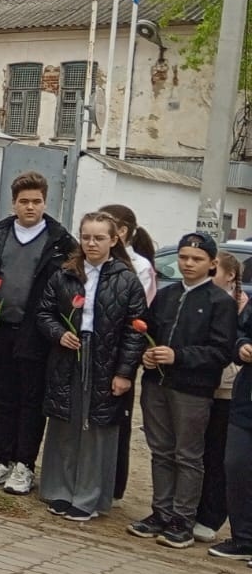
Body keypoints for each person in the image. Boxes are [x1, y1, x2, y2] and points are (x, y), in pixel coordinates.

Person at [0, 171, 76, 497]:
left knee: (30, 401)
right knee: (1, 398)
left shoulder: (60, 242)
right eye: (24, 202)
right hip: (1, 331)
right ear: (13, 203)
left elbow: (71, 286)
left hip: (37, 334)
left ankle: (24, 465)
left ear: (45, 202)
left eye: (36, 201)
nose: (30, 207)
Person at [127, 232, 237, 549]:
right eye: (184, 257)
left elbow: (221, 351)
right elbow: (146, 329)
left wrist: (180, 356)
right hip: (156, 384)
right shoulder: (166, 294)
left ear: (213, 264)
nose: (188, 263)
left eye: (197, 259)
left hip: (193, 390)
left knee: (187, 455)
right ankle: (160, 512)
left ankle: (183, 519)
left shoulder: (220, 303)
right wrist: (146, 355)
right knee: (160, 450)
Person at [36, 212, 146, 523]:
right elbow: (44, 312)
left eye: (99, 238)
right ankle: (60, 489)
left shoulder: (126, 279)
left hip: (105, 357)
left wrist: (124, 372)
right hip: (68, 352)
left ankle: (88, 496)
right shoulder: (66, 273)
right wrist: (59, 333)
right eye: (86, 237)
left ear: (114, 240)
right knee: (65, 422)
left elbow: (135, 330)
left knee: (96, 427)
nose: (91, 243)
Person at [102, 204, 157, 503]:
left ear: (120, 232)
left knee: (116, 418)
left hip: (120, 351)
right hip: (93, 349)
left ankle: (113, 484)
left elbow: (138, 315)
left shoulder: (141, 267)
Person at [198, 251, 247, 543]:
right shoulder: (200, 300)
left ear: (229, 276)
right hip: (201, 385)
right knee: (198, 452)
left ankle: (212, 515)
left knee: (218, 455)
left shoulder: (240, 305)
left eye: (215, 270)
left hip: (228, 390)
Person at [207, 290, 252, 560]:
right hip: (246, 401)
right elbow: (239, 332)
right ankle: (243, 538)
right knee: (236, 466)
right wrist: (242, 346)